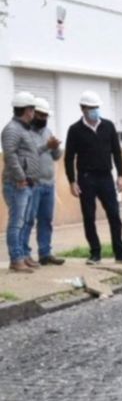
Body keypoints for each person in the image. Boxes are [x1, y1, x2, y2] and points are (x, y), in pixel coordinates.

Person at [64, 90, 122, 265]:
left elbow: (117, 153)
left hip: (105, 177)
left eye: (97, 107)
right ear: (83, 109)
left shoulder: (108, 126)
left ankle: (120, 252)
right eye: (91, 108)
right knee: (89, 216)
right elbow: (69, 157)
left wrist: (121, 176)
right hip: (86, 178)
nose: (95, 111)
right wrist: (72, 181)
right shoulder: (75, 130)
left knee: (114, 215)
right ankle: (95, 253)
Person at [23, 97, 65, 266]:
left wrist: (56, 148)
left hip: (49, 183)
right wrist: (47, 146)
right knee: (28, 220)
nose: (44, 119)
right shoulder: (25, 133)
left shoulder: (47, 132)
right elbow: (27, 156)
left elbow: (56, 156)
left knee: (46, 220)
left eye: (46, 116)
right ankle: (24, 254)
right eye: (40, 115)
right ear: (32, 113)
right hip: (33, 184)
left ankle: (45, 253)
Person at [2, 91, 38, 273]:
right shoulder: (12, 129)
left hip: (28, 183)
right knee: (16, 223)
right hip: (17, 184)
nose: (34, 113)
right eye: (32, 109)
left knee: (25, 222)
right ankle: (16, 259)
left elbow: (29, 154)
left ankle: (23, 254)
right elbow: (10, 155)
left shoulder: (25, 129)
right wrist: (20, 177)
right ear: (26, 110)